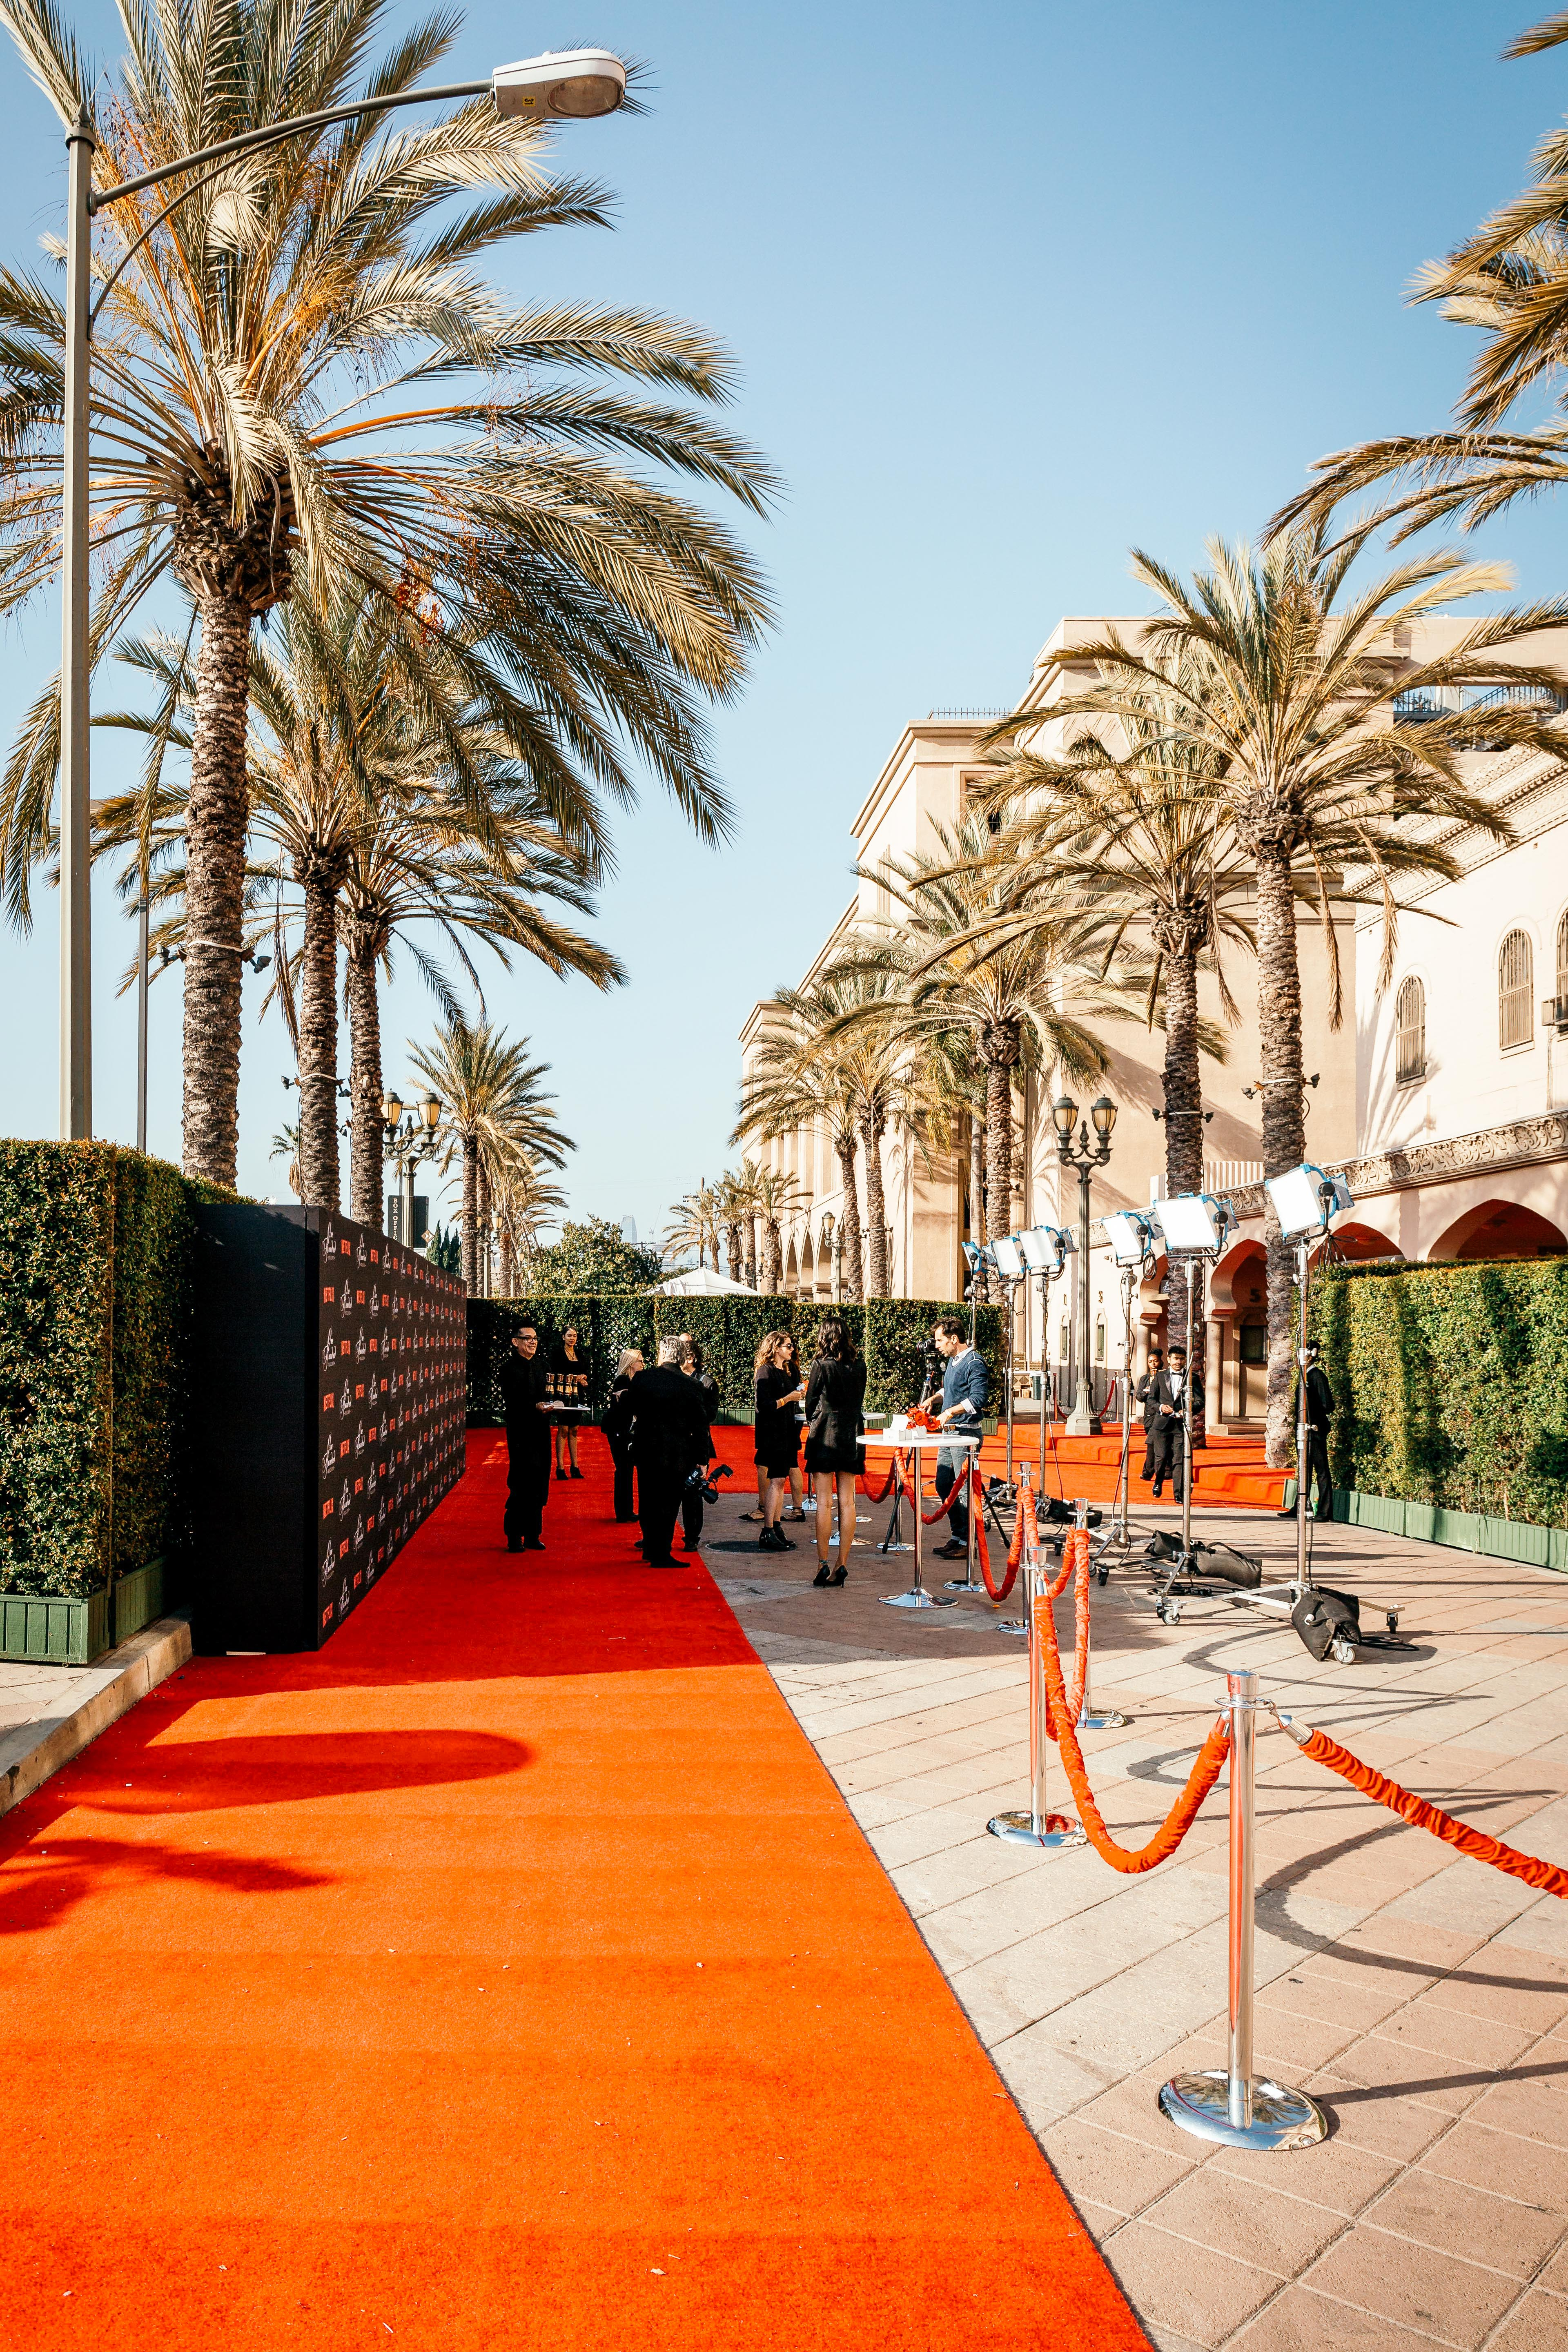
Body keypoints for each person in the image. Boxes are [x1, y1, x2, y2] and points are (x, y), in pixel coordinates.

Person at [628, 1336, 712, 1566]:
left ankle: (650, 1548)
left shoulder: (643, 1378)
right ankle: (661, 1553)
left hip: (646, 1449)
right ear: (681, 1357)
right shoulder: (692, 1385)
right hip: (678, 1452)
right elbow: (700, 1426)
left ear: (662, 1354)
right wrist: (702, 1459)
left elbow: (631, 1408)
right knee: (669, 1503)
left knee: (648, 1499)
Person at [802, 1316, 867, 1587]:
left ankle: (823, 1563)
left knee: (824, 1503)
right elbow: (860, 1398)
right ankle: (842, 1563)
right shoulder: (859, 1364)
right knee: (848, 1502)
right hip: (852, 1432)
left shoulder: (820, 1364)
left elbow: (810, 1402)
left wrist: (815, 1417)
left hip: (825, 1432)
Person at [927, 1316, 989, 1561]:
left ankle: (968, 1541)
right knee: (944, 1485)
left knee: (963, 1490)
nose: (937, 1345)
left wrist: (950, 1412)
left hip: (965, 1435)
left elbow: (978, 1399)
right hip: (950, 1434)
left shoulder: (975, 1363)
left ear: (954, 1339)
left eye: (940, 1340)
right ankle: (959, 1536)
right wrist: (934, 1399)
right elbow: (953, 1389)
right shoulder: (954, 1361)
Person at [498, 1319, 558, 1551]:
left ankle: (533, 1535)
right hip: (521, 1433)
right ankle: (514, 1537)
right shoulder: (508, 1369)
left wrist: (557, 1404)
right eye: (528, 1338)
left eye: (535, 1339)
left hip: (542, 1431)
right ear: (516, 1342)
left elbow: (551, 1393)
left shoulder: (543, 1366)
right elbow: (512, 1402)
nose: (533, 1342)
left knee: (540, 1480)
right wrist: (534, 1406)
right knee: (521, 1481)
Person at [753, 1331, 806, 1553]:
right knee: (776, 1480)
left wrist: (797, 1395)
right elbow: (763, 1406)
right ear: (776, 1348)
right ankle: (768, 1530)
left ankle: (775, 1527)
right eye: (788, 1346)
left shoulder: (785, 1370)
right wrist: (789, 1398)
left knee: (780, 1481)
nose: (792, 1349)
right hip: (773, 1434)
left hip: (786, 1432)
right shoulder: (765, 1371)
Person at [1280, 1343, 1336, 1522]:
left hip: (1314, 1429)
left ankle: (1325, 1512)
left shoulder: (1317, 1376)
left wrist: (1313, 1417)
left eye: (1302, 1353)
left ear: (1311, 1355)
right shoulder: (1304, 1375)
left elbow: (1328, 1404)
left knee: (1321, 1470)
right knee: (1304, 1469)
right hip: (1303, 1428)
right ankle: (1300, 1506)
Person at [675, 1334, 721, 1551]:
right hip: (675, 1443)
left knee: (692, 1493)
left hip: (695, 1443)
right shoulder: (673, 1378)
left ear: (691, 1358)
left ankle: (692, 1536)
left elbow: (709, 1415)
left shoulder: (707, 1383)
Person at [1151, 1342, 1204, 1502]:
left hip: (1181, 1426)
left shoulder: (1192, 1378)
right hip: (1162, 1424)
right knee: (1161, 1457)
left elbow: (1200, 1401)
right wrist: (1161, 1407)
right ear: (1169, 1359)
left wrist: (1187, 1411)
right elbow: (1151, 1400)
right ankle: (1158, 1481)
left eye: (1181, 1359)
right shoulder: (1160, 1376)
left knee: (1179, 1459)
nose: (1178, 1362)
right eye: (1176, 1359)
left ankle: (1178, 1493)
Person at [603, 1346, 643, 1523]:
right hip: (618, 1431)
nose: (642, 1364)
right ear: (631, 1363)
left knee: (626, 1470)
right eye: (640, 1361)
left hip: (625, 1431)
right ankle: (623, 1512)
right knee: (623, 1470)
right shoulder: (622, 1380)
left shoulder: (633, 1381)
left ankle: (626, 1511)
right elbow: (626, 1407)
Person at [550, 1324, 588, 1480]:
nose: (572, 1338)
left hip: (577, 1396)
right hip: (563, 1396)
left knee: (574, 1430)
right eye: (569, 1335)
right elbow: (556, 1374)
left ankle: (575, 1467)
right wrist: (576, 1378)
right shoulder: (557, 1354)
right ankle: (560, 1468)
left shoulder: (581, 1354)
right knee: (563, 1430)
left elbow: (586, 1372)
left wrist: (583, 1378)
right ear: (563, 1337)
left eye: (574, 1336)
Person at [1135, 1347, 1165, 1484]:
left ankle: (1148, 1472)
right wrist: (1146, 1392)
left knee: (1152, 1443)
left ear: (1161, 1361)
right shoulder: (1145, 1378)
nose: (1153, 1364)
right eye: (1150, 1361)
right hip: (1149, 1416)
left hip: (1161, 1415)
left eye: (1155, 1361)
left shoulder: (1165, 1376)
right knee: (1156, 1444)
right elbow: (1139, 1397)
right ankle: (1165, 1470)